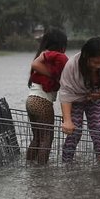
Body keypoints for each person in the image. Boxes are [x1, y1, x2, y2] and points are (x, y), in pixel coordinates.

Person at [58, 37, 100, 161]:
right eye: (94, 62)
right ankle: (66, 163)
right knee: (75, 132)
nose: (98, 66)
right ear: (86, 56)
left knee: (98, 129)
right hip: (75, 99)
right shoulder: (72, 65)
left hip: (95, 99)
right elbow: (65, 93)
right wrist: (67, 121)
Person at [25, 29, 68, 164]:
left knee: (37, 137)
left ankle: (30, 164)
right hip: (42, 102)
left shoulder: (43, 57)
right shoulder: (52, 56)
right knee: (46, 138)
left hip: (31, 100)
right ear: (61, 45)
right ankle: (42, 170)